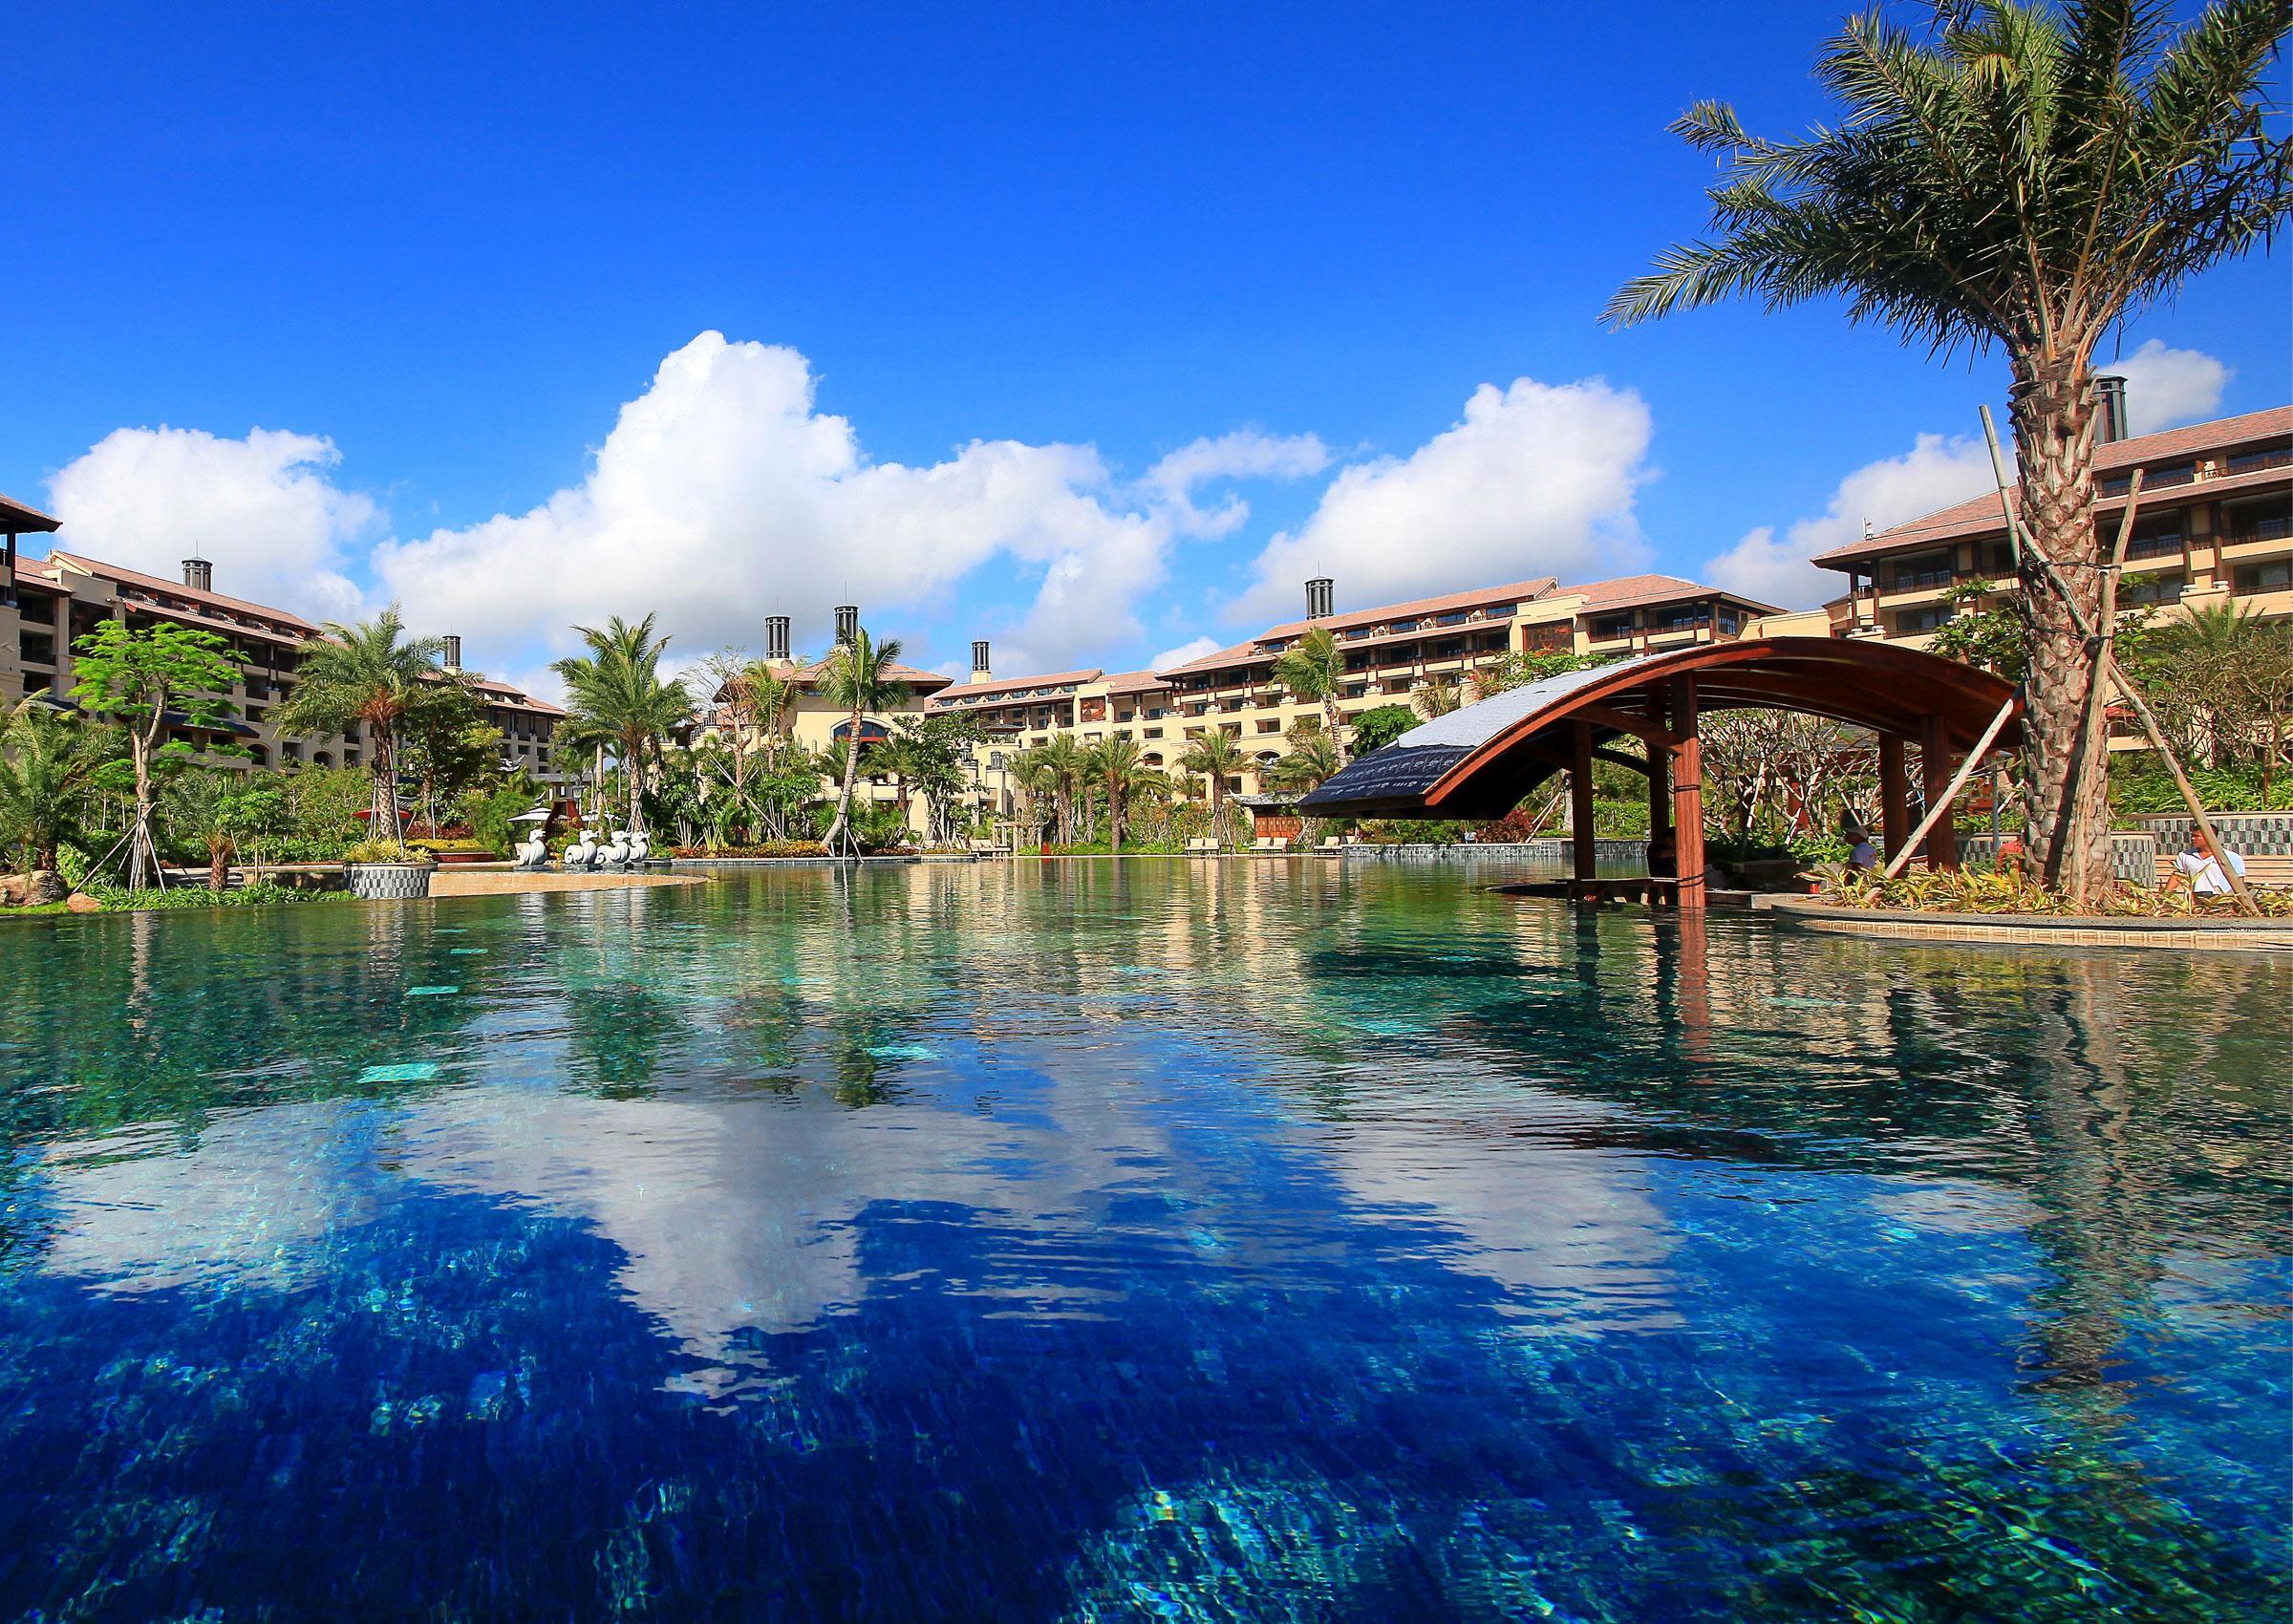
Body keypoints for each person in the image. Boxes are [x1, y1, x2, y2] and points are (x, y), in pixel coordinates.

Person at [2173, 828, 2247, 900]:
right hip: (2193, 902)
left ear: (2209, 837)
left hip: (2220, 902)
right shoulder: (2185, 855)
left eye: (2196, 836)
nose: (2192, 838)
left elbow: (2239, 883)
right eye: (2192, 835)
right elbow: (2177, 877)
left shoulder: (2232, 858)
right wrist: (2165, 896)